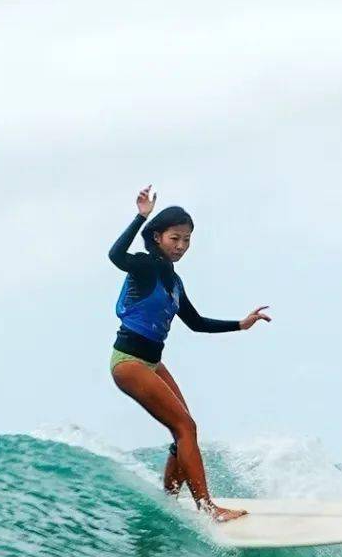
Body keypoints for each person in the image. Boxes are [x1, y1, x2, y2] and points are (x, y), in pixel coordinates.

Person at [108, 185, 270, 522]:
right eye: (174, 238)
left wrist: (240, 324)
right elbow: (114, 256)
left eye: (186, 240)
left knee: (180, 429)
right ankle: (208, 508)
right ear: (157, 237)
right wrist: (141, 217)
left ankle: (168, 500)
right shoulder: (144, 266)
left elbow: (195, 322)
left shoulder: (174, 281)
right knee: (186, 427)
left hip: (152, 363)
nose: (181, 246)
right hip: (129, 362)